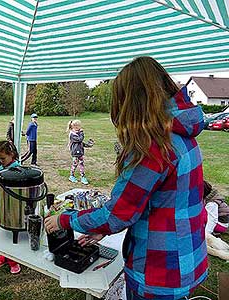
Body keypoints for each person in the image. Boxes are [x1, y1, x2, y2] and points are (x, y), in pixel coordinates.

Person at [45, 56, 207, 300]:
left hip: (159, 269)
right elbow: (159, 202)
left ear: (132, 102)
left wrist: (64, 220)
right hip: (187, 256)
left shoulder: (154, 146)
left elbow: (118, 214)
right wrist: (103, 231)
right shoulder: (183, 134)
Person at [0, 140, 21, 274]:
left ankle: (13, 260)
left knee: (10, 234)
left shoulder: (17, 168)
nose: (0, 161)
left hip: (10, 208)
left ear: (11, 154)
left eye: (3, 158)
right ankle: (2, 255)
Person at [67, 120, 89, 185]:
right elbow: (79, 139)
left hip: (80, 151)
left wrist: (87, 145)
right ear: (73, 126)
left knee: (81, 164)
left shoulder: (78, 133)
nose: (78, 127)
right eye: (76, 125)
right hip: (75, 152)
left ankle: (83, 177)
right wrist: (82, 133)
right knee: (75, 164)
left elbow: (81, 142)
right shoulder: (72, 134)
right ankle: (71, 176)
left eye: (79, 125)